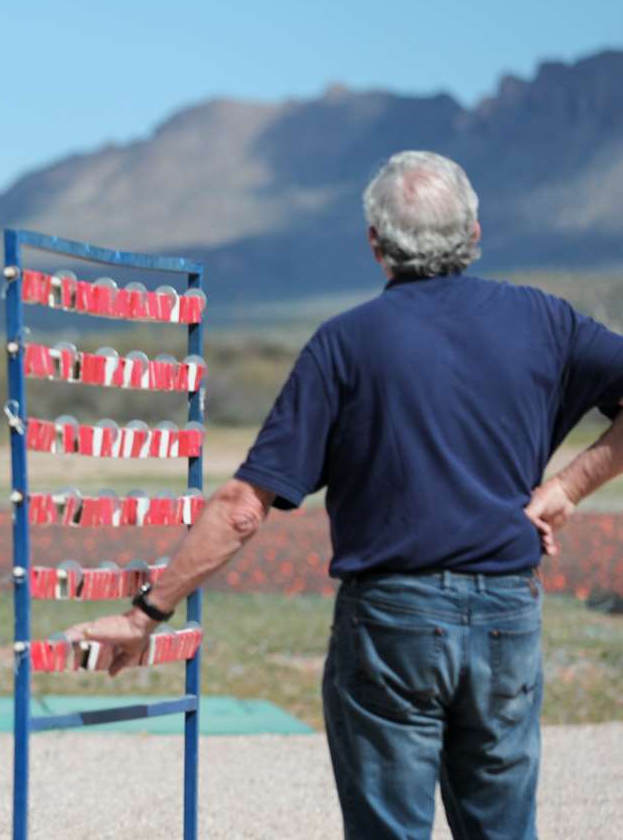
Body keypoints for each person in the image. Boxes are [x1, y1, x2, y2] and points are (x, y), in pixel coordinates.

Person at [67, 150, 623, 839]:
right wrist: (572, 484)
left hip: (393, 621)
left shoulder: (344, 344)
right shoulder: (546, 320)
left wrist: (148, 612)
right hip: (508, 611)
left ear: (375, 244)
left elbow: (244, 508)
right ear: (476, 233)